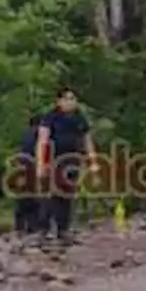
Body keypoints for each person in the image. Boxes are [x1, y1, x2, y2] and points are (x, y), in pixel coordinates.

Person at [36, 88, 97, 245]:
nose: (71, 102)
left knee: (68, 195)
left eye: (73, 99)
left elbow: (87, 139)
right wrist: (41, 164)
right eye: (67, 99)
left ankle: (63, 230)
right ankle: (44, 230)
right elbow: (43, 140)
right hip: (54, 160)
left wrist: (93, 161)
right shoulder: (51, 117)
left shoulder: (79, 118)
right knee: (52, 195)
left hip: (73, 161)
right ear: (59, 101)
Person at [13, 114, 44, 236]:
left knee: (23, 197)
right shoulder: (37, 135)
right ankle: (33, 226)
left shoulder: (26, 135)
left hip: (22, 167)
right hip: (32, 167)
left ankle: (20, 226)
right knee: (34, 198)